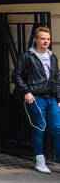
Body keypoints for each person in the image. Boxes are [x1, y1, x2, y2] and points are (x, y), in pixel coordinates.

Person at [13, 25, 60, 174]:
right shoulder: (28, 56)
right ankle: (39, 161)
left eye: (48, 39)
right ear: (35, 39)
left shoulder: (53, 57)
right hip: (36, 97)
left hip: (51, 98)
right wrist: (26, 91)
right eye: (42, 38)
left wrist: (59, 97)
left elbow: (57, 78)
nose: (46, 41)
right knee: (39, 128)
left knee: (57, 129)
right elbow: (16, 75)